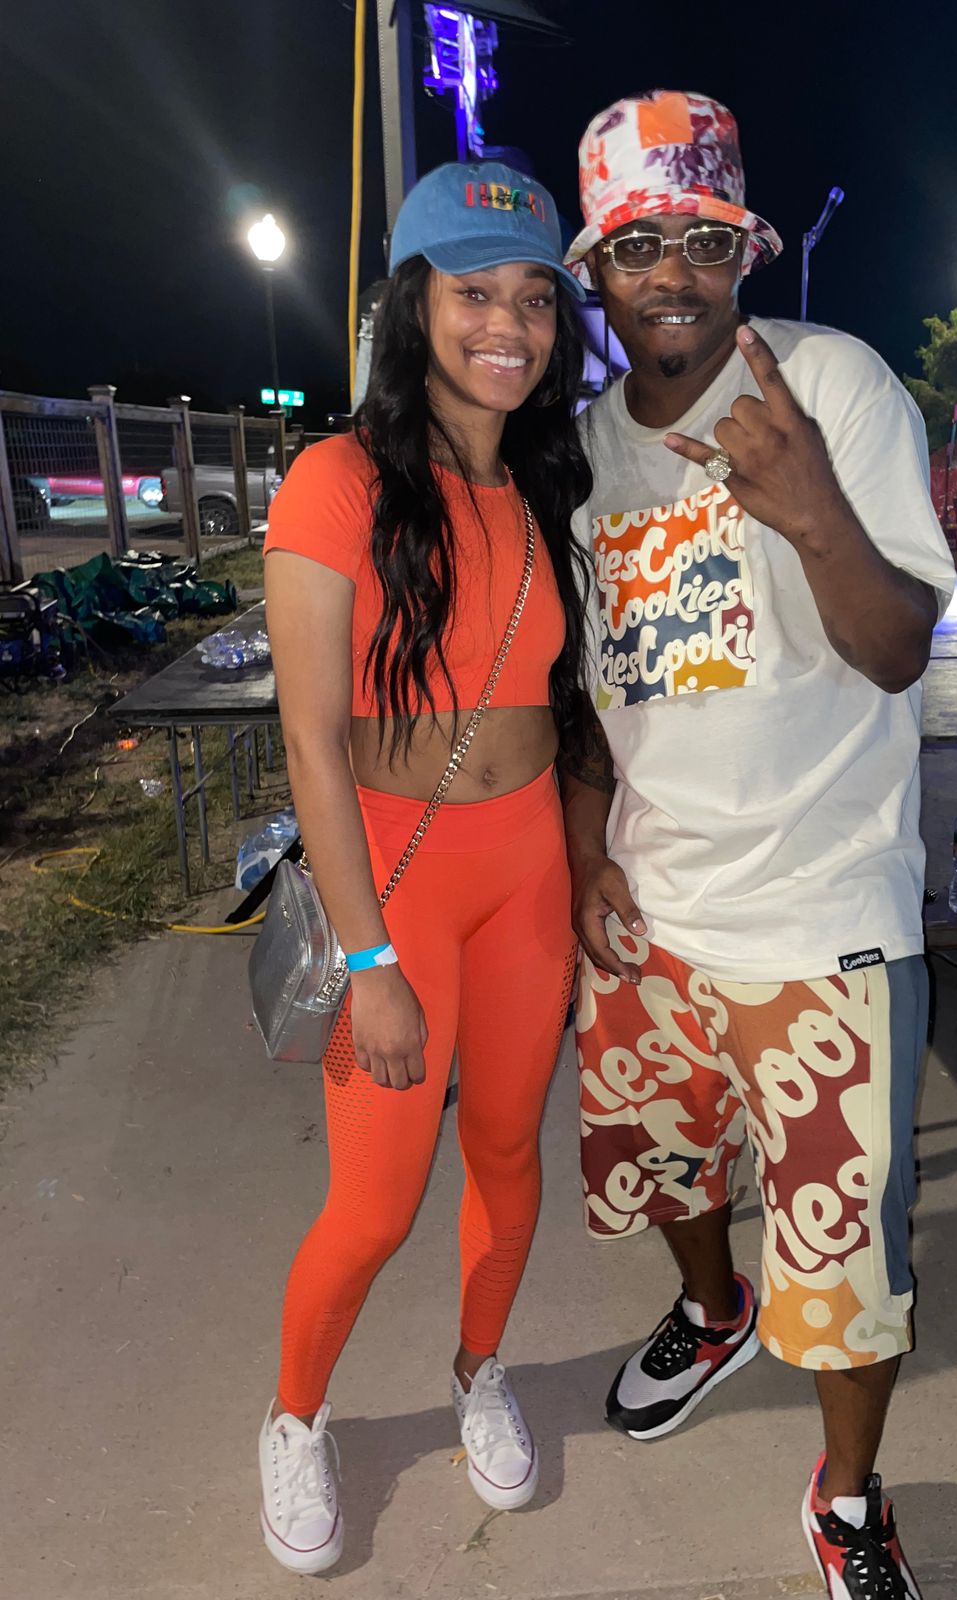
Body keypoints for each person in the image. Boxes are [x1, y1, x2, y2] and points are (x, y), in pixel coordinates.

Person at [558, 92, 956, 1600]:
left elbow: (901, 651)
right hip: (651, 910)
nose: (672, 272)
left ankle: (847, 1497)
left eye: (703, 241)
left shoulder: (833, 385)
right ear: (599, 272)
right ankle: (713, 1311)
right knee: (665, 1167)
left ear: (744, 253)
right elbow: (588, 697)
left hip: (821, 915)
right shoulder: (584, 455)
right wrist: (591, 852)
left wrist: (810, 513)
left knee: (851, 1273)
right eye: (638, 244)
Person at [258, 160, 591, 1574]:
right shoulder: (335, 482)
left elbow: (570, 710)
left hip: (528, 879)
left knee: (509, 1152)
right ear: (413, 305)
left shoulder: (546, 482)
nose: (507, 322)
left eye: (534, 297)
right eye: (474, 291)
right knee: (378, 1201)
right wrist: (371, 958)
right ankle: (294, 1417)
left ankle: (478, 1369)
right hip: (396, 883)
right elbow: (313, 744)